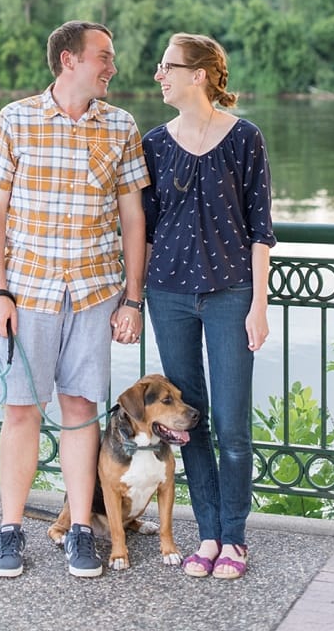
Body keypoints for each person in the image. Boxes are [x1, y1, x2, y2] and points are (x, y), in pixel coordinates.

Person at [0, 21, 150, 579]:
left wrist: (133, 300)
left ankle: (79, 530)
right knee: (22, 410)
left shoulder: (121, 126)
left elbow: (132, 219)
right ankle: (9, 531)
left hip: (97, 293)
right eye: (105, 56)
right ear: (69, 59)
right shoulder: (15, 119)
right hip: (28, 293)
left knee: (81, 410)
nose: (112, 67)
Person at [143, 33, 274, 581]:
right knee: (185, 422)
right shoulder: (154, 142)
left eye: (167, 67)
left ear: (198, 75)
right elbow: (145, 230)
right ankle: (209, 534)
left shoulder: (245, 138)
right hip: (168, 294)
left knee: (230, 422)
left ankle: (236, 538)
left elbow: (261, 228)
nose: (158, 76)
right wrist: (132, 297)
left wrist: (259, 305)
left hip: (230, 295)